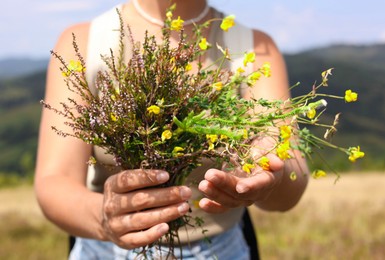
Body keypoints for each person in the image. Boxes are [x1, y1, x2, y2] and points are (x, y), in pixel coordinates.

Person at [35, 0, 309, 259]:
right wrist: (106, 219)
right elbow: (54, 182)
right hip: (106, 250)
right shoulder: (85, 43)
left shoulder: (254, 48)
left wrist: (271, 170)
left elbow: (291, 181)